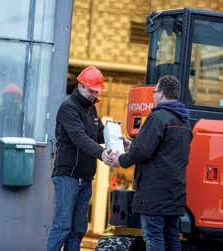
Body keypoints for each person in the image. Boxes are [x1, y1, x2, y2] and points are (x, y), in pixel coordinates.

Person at [111, 75, 192, 251]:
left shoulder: (158, 118)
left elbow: (142, 151)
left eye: (154, 92)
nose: (153, 95)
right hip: (175, 192)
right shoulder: (184, 122)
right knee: (171, 237)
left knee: (153, 236)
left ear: (162, 94)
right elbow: (164, 150)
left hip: (154, 194)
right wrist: (132, 145)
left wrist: (121, 159)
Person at [47, 66, 112, 251]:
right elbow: (79, 137)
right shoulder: (69, 108)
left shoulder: (91, 109)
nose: (94, 95)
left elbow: (100, 133)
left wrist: (119, 140)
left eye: (96, 91)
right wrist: (101, 153)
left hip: (85, 177)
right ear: (81, 85)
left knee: (78, 229)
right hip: (68, 175)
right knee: (62, 226)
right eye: (91, 91)